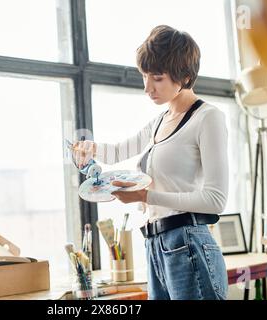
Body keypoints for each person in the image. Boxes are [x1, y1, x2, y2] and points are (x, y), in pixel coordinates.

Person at [72, 25, 229, 300]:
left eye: (157, 78)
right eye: (144, 76)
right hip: (155, 244)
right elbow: (119, 151)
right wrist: (89, 148)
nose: (147, 88)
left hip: (188, 242)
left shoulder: (208, 118)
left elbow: (215, 200)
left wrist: (146, 195)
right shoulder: (158, 122)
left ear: (185, 76)